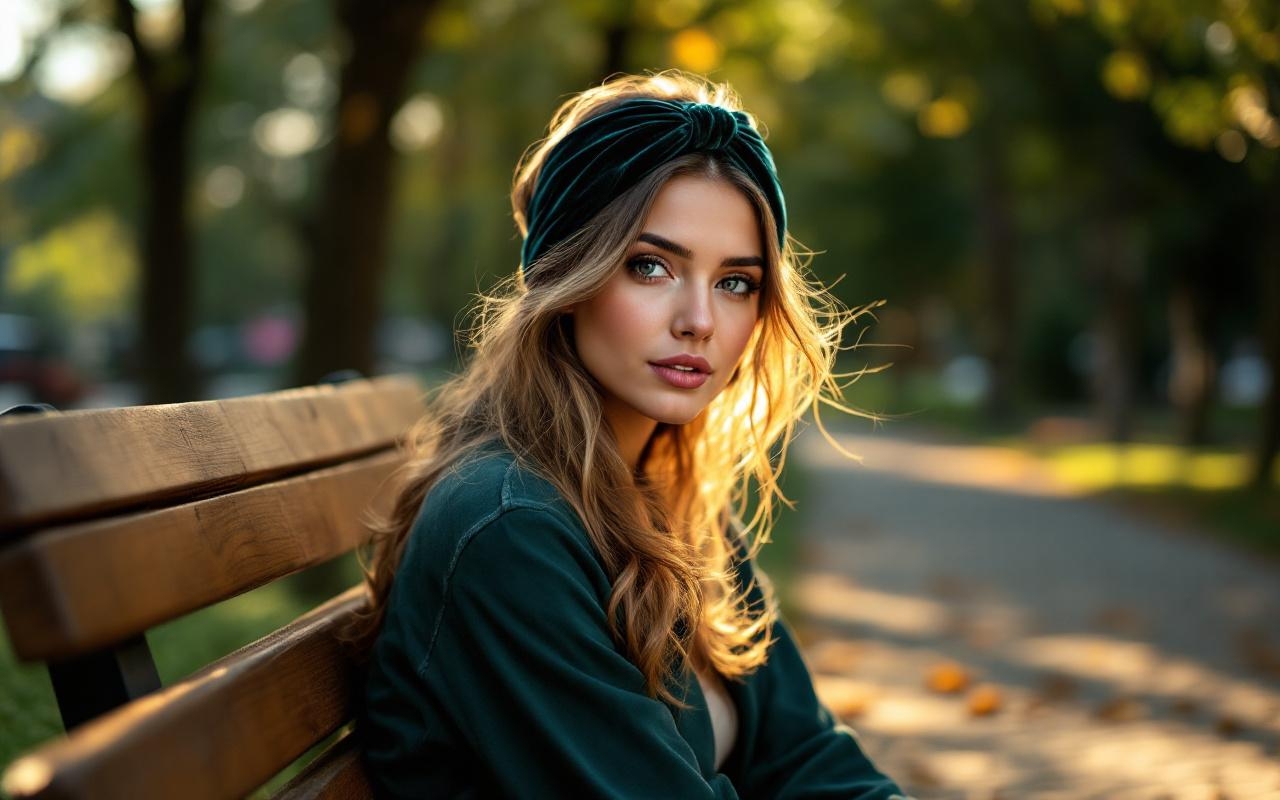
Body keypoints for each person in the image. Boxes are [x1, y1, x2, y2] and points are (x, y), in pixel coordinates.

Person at [354, 71, 909, 799]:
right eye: (651, 267)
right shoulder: (508, 529)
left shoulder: (668, 497)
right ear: (566, 276)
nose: (699, 321)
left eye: (736, 282)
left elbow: (805, 755)